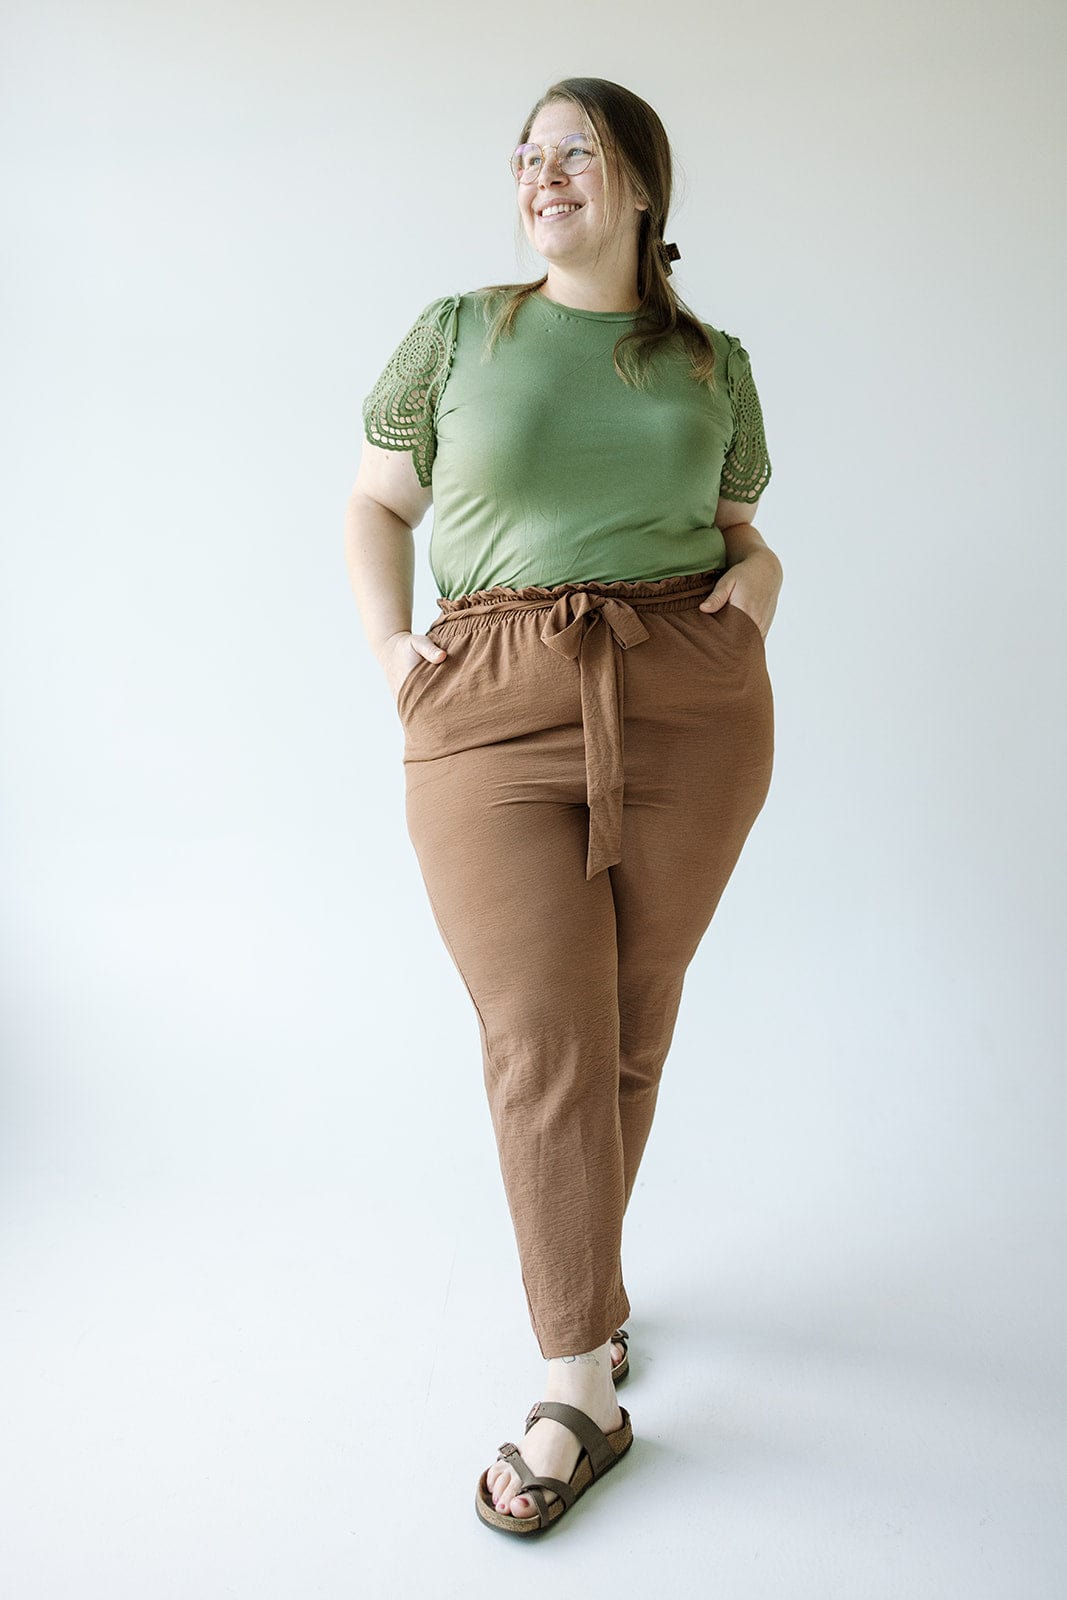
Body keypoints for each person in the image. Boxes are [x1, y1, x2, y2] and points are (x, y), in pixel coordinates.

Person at [343, 75, 782, 1536]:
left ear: (642, 184)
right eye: (527, 156)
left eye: (575, 154)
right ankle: (575, 1392)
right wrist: (397, 653)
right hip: (487, 699)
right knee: (544, 1036)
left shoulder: (712, 362)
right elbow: (375, 502)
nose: (545, 177)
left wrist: (758, 596)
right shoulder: (461, 331)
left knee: (628, 1029)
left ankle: (584, 1324)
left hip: (684, 701)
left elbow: (740, 528)